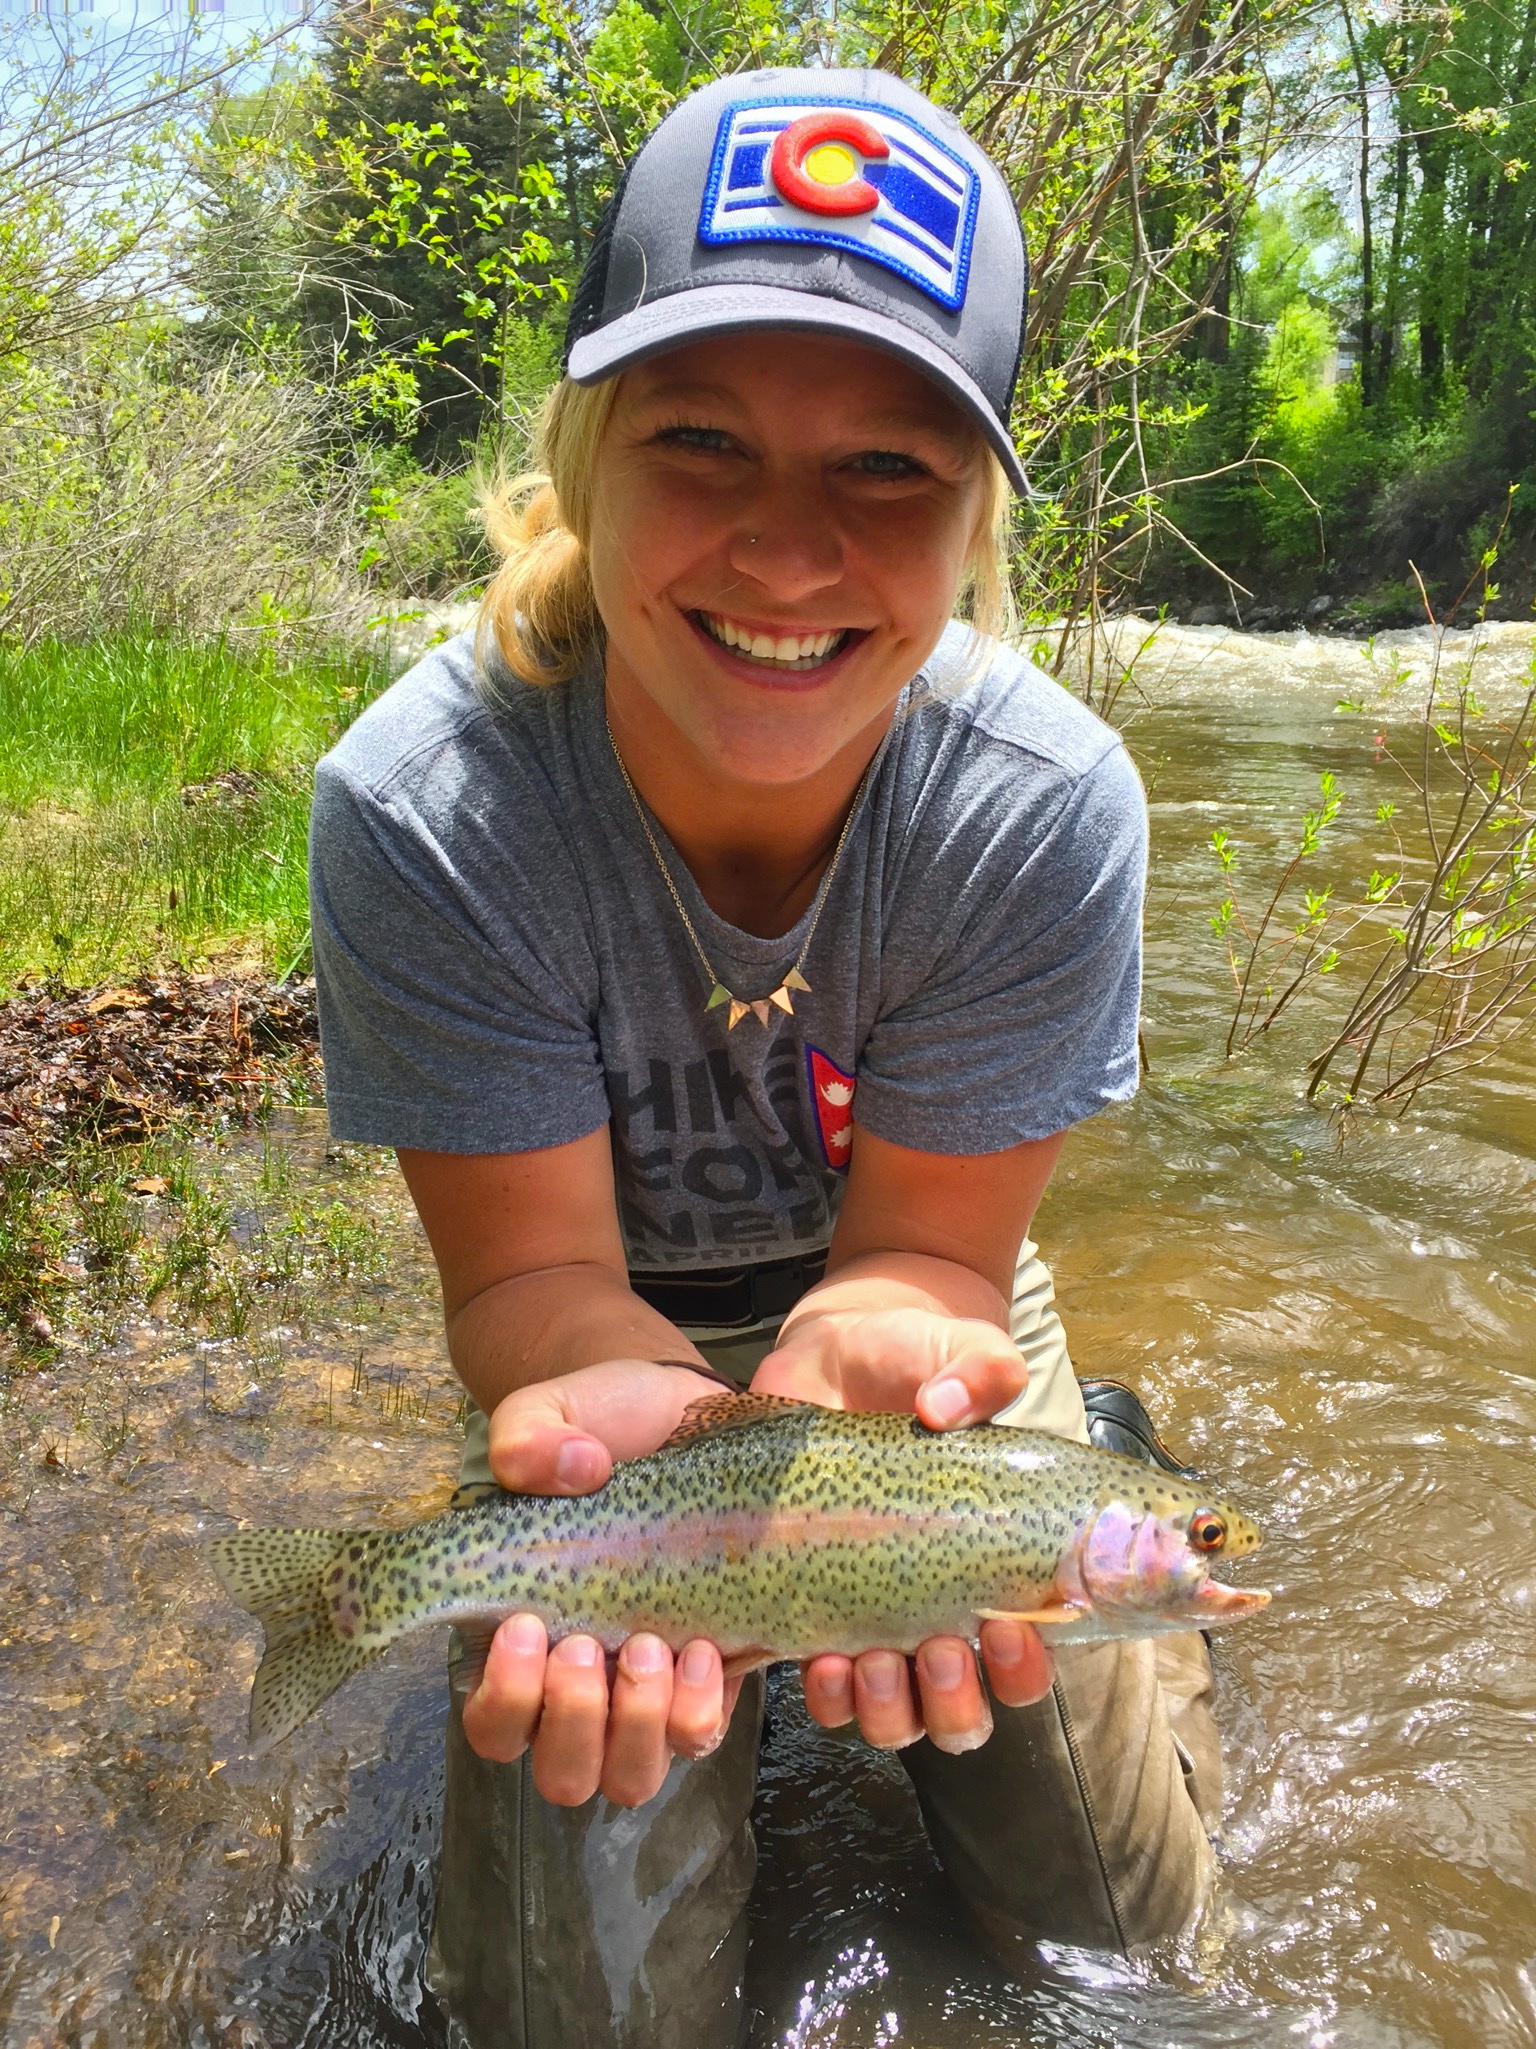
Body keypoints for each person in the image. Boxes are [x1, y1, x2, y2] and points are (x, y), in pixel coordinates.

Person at [309, 65, 1221, 2049]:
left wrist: (878, 1337)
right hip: (595, 1351)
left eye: (889, 466)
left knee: (1123, 1943)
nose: (789, 553)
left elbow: (936, 1253)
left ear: (977, 520)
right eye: (702, 438)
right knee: (573, 1999)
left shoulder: (1044, 805)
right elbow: (532, 1285)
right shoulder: (423, 808)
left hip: (919, 1321)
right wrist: (634, 1422)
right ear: (584, 455)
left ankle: (1113, 1507)